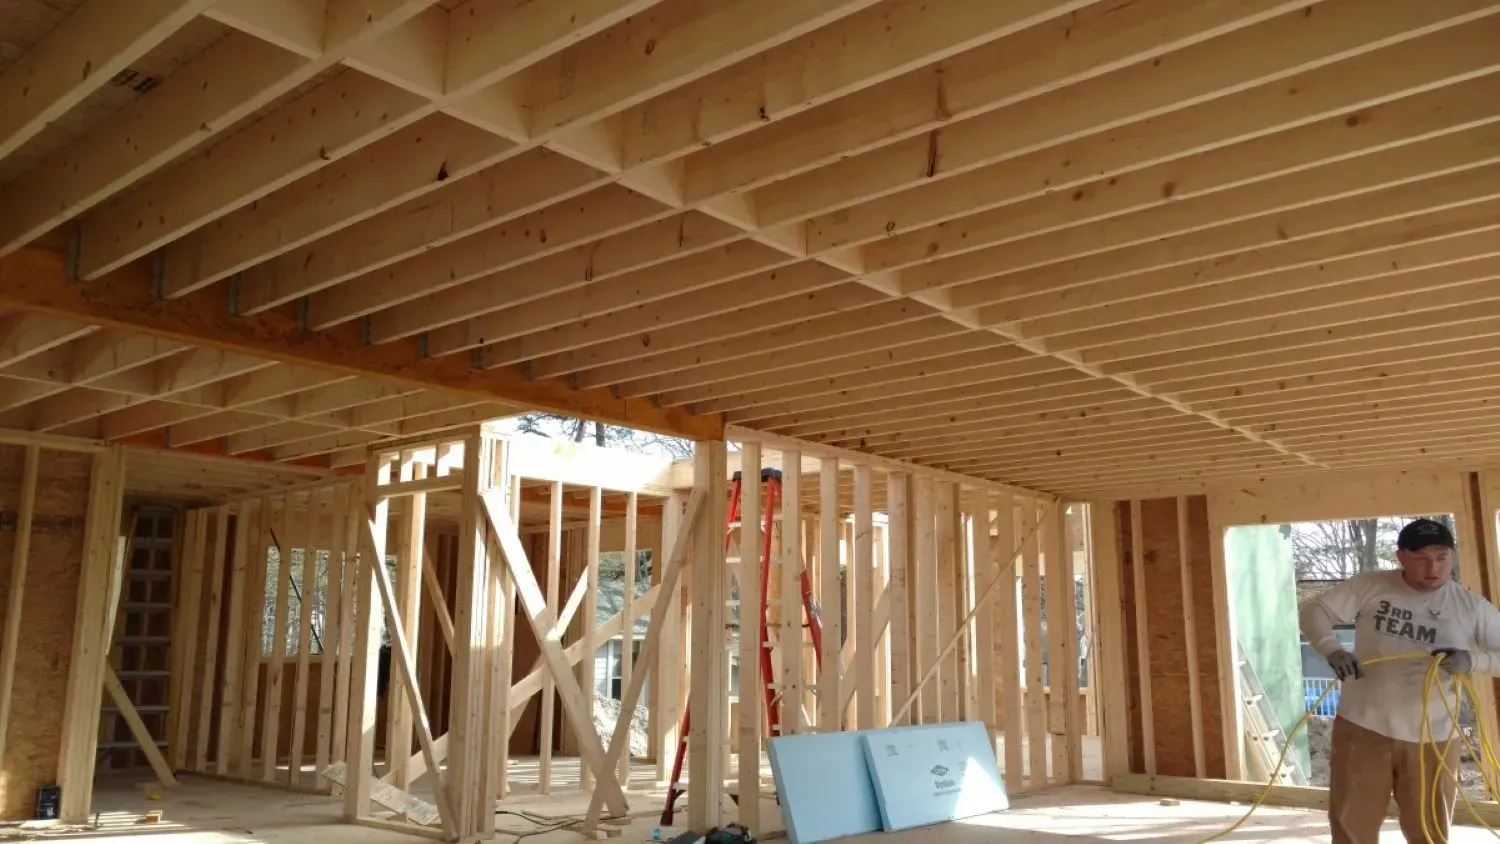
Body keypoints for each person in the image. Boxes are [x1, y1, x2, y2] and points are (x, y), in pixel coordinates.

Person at [1299, 517, 1500, 843]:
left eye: (1441, 557)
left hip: (1433, 736)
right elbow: (1314, 610)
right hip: (1363, 726)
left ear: (1451, 556)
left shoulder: (1470, 607)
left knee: (1431, 829)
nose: (1432, 567)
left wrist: (1473, 660)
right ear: (1401, 556)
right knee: (1352, 825)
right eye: (1420, 557)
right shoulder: (1370, 585)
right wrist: (1331, 649)